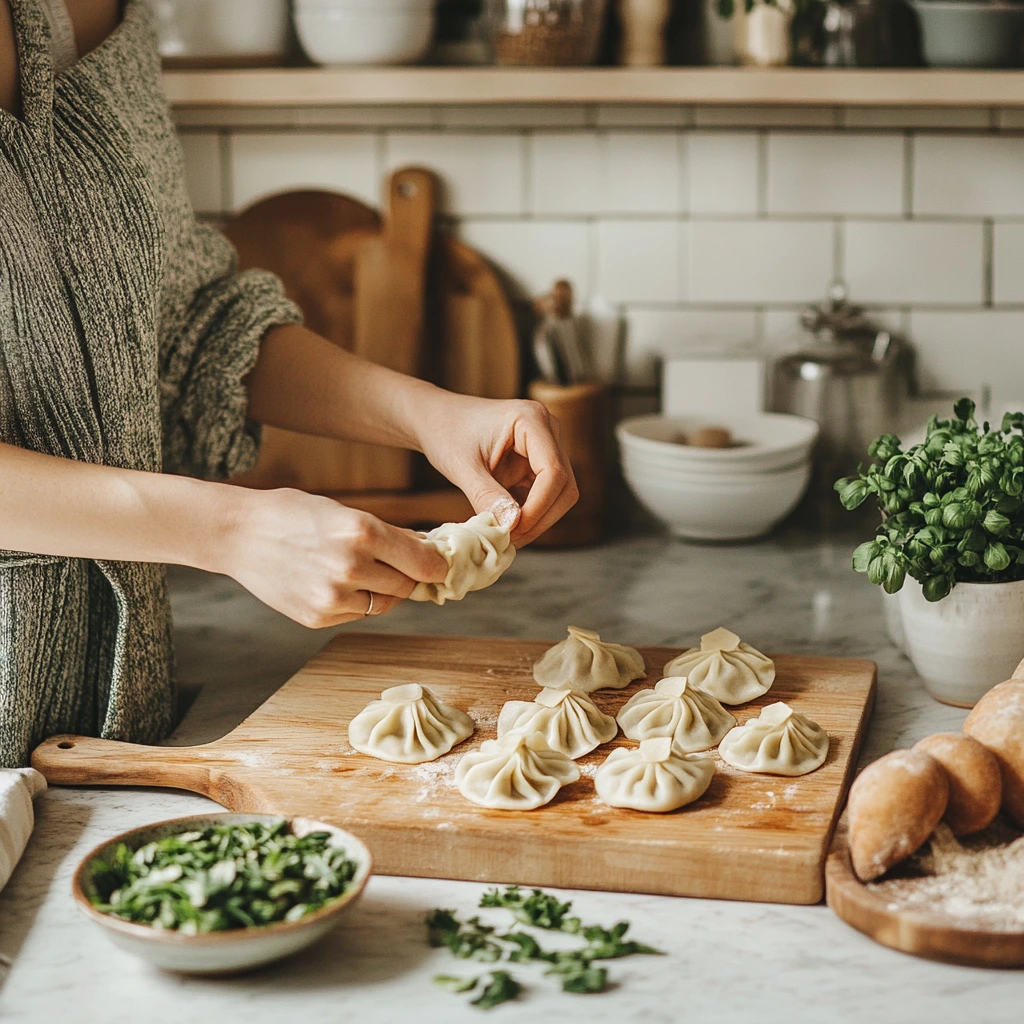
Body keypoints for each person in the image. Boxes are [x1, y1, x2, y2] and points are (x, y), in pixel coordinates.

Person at [0, 0, 578, 767]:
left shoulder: (97, 11)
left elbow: (188, 318)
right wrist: (227, 530)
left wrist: (426, 414)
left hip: (122, 729)